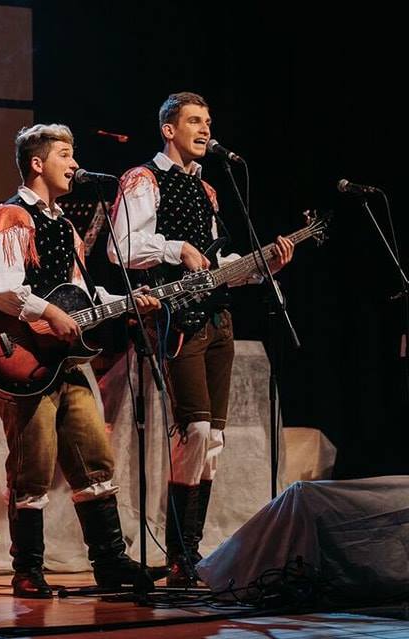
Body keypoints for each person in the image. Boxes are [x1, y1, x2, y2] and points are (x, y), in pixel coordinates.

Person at [108, 92, 292, 586]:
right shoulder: (143, 179)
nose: (205, 129)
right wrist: (176, 248)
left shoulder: (207, 189)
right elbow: (121, 247)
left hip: (217, 319)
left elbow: (214, 264)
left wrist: (261, 267)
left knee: (212, 438)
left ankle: (189, 552)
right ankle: (178, 555)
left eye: (208, 121)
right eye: (194, 120)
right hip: (176, 319)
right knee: (192, 431)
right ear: (169, 129)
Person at [0, 123, 160, 597]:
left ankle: (110, 562)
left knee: (94, 457)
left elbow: (79, 294)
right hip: (24, 357)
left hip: (65, 362)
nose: (75, 164)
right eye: (64, 154)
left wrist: (129, 302)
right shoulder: (11, 217)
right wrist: (47, 312)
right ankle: (28, 569)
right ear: (37, 163)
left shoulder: (65, 226)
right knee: (32, 464)